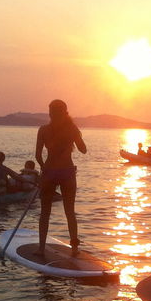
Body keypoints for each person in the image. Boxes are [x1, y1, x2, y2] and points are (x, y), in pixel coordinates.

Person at [36, 99, 87, 255]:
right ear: (66, 113)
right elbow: (83, 150)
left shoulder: (43, 130)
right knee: (69, 211)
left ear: (50, 113)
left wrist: (44, 169)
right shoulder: (71, 128)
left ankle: (41, 248)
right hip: (67, 173)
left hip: (49, 173)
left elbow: (38, 156)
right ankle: (75, 248)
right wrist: (75, 135)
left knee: (45, 212)